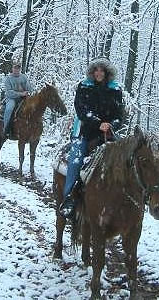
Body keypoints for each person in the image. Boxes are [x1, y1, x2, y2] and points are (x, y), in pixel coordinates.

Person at [59, 57, 125, 219]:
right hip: (85, 131)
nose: (99, 73)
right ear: (92, 72)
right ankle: (69, 199)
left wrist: (111, 125)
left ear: (107, 72)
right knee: (76, 158)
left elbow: (119, 115)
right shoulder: (84, 87)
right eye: (96, 70)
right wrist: (98, 123)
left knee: (123, 160)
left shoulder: (115, 90)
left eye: (102, 70)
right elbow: (81, 110)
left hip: (108, 132)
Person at [3, 62, 32, 137]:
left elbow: (28, 88)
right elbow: (9, 92)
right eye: (15, 68)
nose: (17, 70)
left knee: (33, 107)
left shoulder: (24, 77)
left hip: (24, 98)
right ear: (12, 68)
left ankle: (32, 128)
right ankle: (6, 129)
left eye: (18, 68)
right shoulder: (8, 79)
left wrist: (27, 92)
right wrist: (20, 94)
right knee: (9, 109)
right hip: (12, 98)